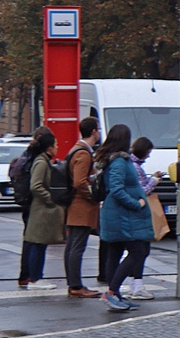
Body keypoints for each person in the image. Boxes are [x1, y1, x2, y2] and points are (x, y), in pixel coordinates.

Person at [96, 124, 153, 312]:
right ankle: (111, 293)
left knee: (115, 252)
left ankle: (116, 295)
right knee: (138, 251)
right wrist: (136, 203)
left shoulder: (114, 159)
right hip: (123, 215)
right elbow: (117, 189)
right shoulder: (119, 161)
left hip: (118, 215)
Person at [62, 117, 102, 298]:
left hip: (75, 205)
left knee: (72, 246)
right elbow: (79, 182)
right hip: (81, 207)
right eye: (98, 129)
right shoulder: (83, 153)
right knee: (77, 246)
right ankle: (76, 285)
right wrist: (92, 195)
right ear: (93, 131)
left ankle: (73, 284)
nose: (99, 132)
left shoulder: (76, 149)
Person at [20, 128, 64, 290]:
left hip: (41, 210)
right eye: (56, 145)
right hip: (41, 210)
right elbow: (36, 185)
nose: (57, 147)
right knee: (38, 244)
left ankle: (36, 277)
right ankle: (35, 279)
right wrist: (50, 199)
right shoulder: (41, 162)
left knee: (39, 244)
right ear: (49, 148)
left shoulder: (44, 160)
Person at [120, 136, 159, 301]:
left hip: (133, 213)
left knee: (138, 250)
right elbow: (142, 191)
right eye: (148, 152)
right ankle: (135, 286)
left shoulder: (132, 165)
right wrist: (154, 181)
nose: (149, 156)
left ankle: (133, 285)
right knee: (141, 251)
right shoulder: (135, 167)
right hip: (138, 213)